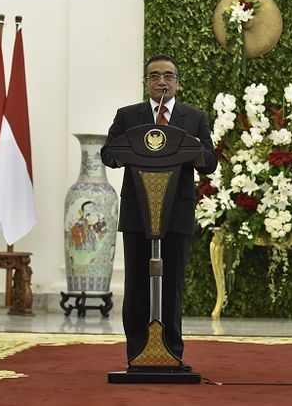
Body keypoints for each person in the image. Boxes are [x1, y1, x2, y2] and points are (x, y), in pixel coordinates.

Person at [101, 54, 218, 364]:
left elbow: (210, 162)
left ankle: (171, 354)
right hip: (138, 214)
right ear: (146, 82)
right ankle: (137, 353)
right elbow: (109, 154)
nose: (162, 81)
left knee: (172, 285)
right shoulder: (129, 116)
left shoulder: (194, 118)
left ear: (177, 83)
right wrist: (126, 150)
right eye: (155, 76)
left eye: (168, 76)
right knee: (137, 285)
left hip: (175, 213)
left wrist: (193, 150)